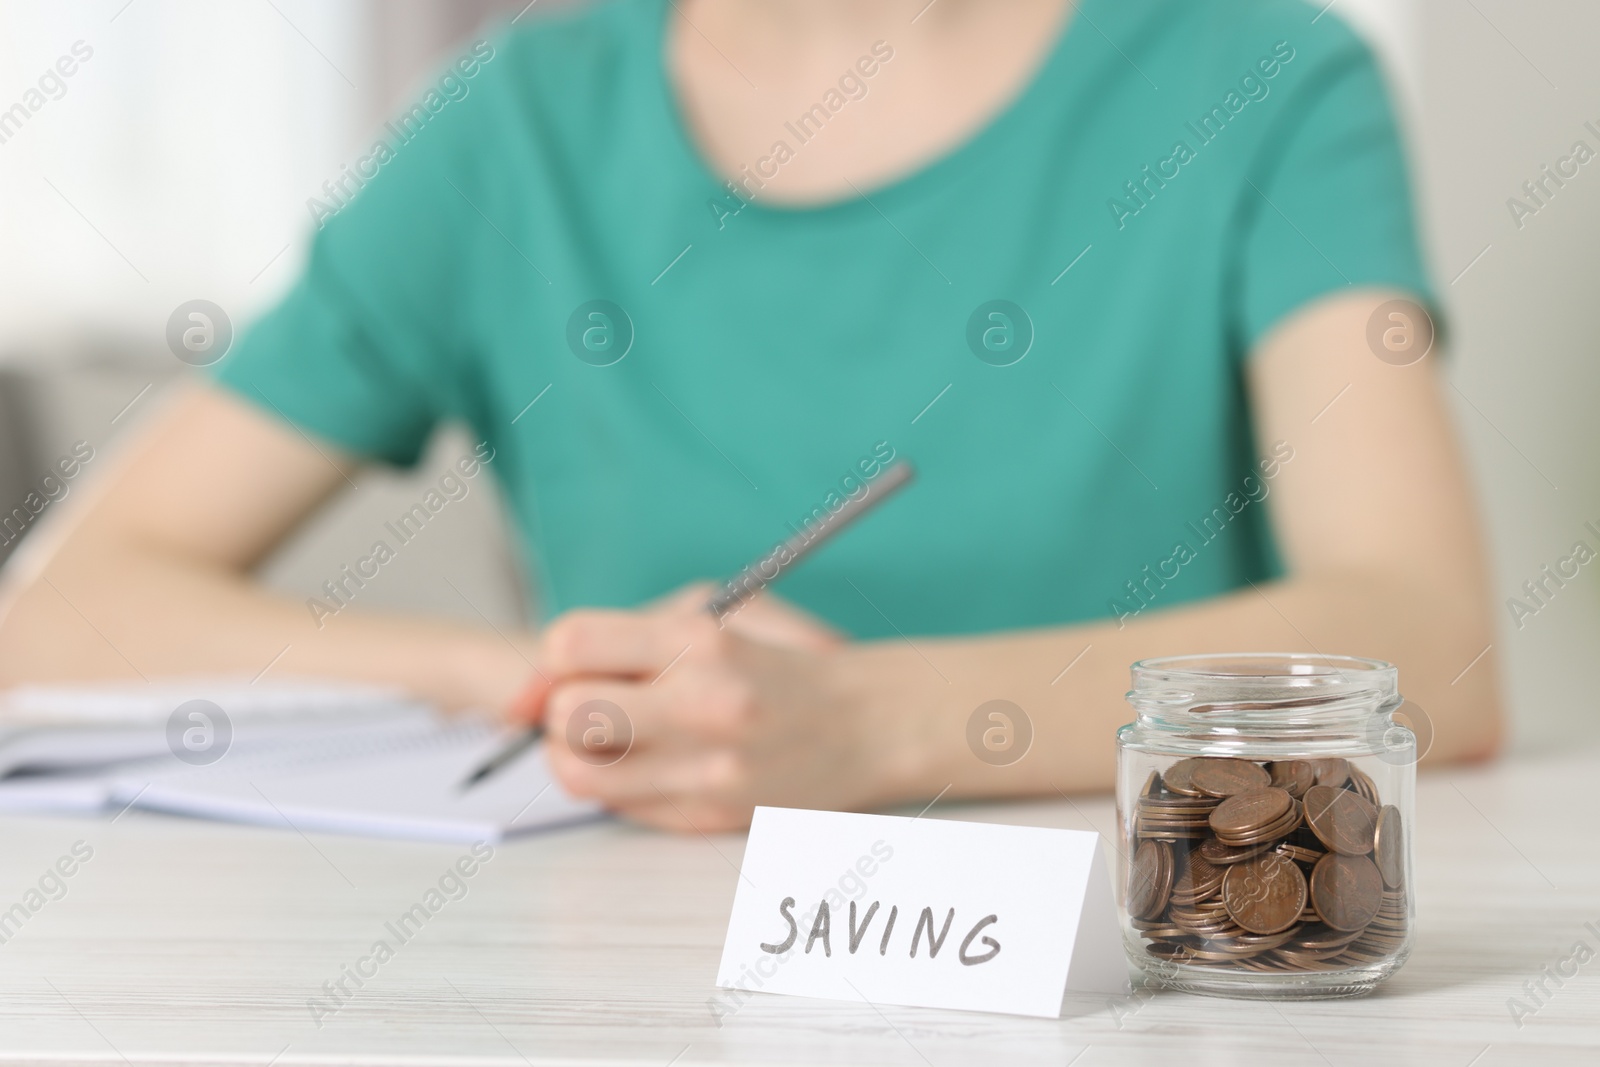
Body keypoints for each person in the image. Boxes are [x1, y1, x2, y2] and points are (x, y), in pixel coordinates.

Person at [0, 0, 1500, 830]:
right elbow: (53, 624)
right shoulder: (513, 125)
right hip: (638, 979)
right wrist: (549, 679)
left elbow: (1433, 647)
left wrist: (870, 727)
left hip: (1165, 964)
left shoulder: (1268, 79)